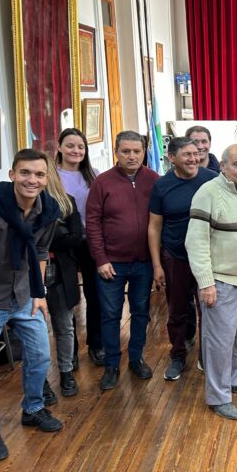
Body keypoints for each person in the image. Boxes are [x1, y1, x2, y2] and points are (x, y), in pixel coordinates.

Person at [0, 149, 62, 461]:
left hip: (24, 297)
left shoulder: (49, 210)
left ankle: (33, 409)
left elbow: (42, 252)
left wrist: (39, 292)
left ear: (46, 179)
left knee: (40, 356)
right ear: (12, 175)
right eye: (25, 173)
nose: (32, 180)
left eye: (39, 174)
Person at [185, 144, 237, 420]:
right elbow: (196, 242)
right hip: (220, 281)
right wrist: (205, 283)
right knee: (218, 341)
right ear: (222, 166)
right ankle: (218, 396)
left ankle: (233, 380)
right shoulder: (208, 193)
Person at [86, 131, 159, 391]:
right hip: (111, 264)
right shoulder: (102, 182)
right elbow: (92, 224)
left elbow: (161, 221)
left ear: (143, 152)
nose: (131, 156)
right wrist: (101, 259)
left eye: (136, 151)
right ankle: (112, 365)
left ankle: (137, 358)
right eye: (126, 151)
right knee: (110, 315)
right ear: (116, 152)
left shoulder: (154, 180)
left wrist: (157, 260)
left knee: (140, 313)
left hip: (144, 262)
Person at [148, 137, 217, 381]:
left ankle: (206, 356)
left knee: (208, 309)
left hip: (208, 256)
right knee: (177, 310)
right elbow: (154, 227)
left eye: (196, 153)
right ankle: (177, 355)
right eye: (186, 154)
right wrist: (157, 265)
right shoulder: (162, 185)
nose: (193, 158)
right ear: (172, 158)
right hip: (176, 256)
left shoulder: (211, 179)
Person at [56, 128, 104, 366]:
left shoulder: (93, 175)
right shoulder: (52, 176)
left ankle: (96, 344)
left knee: (95, 295)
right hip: (64, 243)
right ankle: (70, 351)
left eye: (80, 147)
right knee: (68, 298)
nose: (75, 151)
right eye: (70, 146)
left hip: (90, 241)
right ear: (59, 148)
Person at [44, 158, 83, 397]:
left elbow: (76, 238)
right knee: (35, 331)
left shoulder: (66, 203)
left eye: (42, 173)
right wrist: (59, 233)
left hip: (60, 271)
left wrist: (50, 238)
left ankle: (66, 372)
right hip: (30, 276)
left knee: (64, 325)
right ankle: (40, 382)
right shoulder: (20, 206)